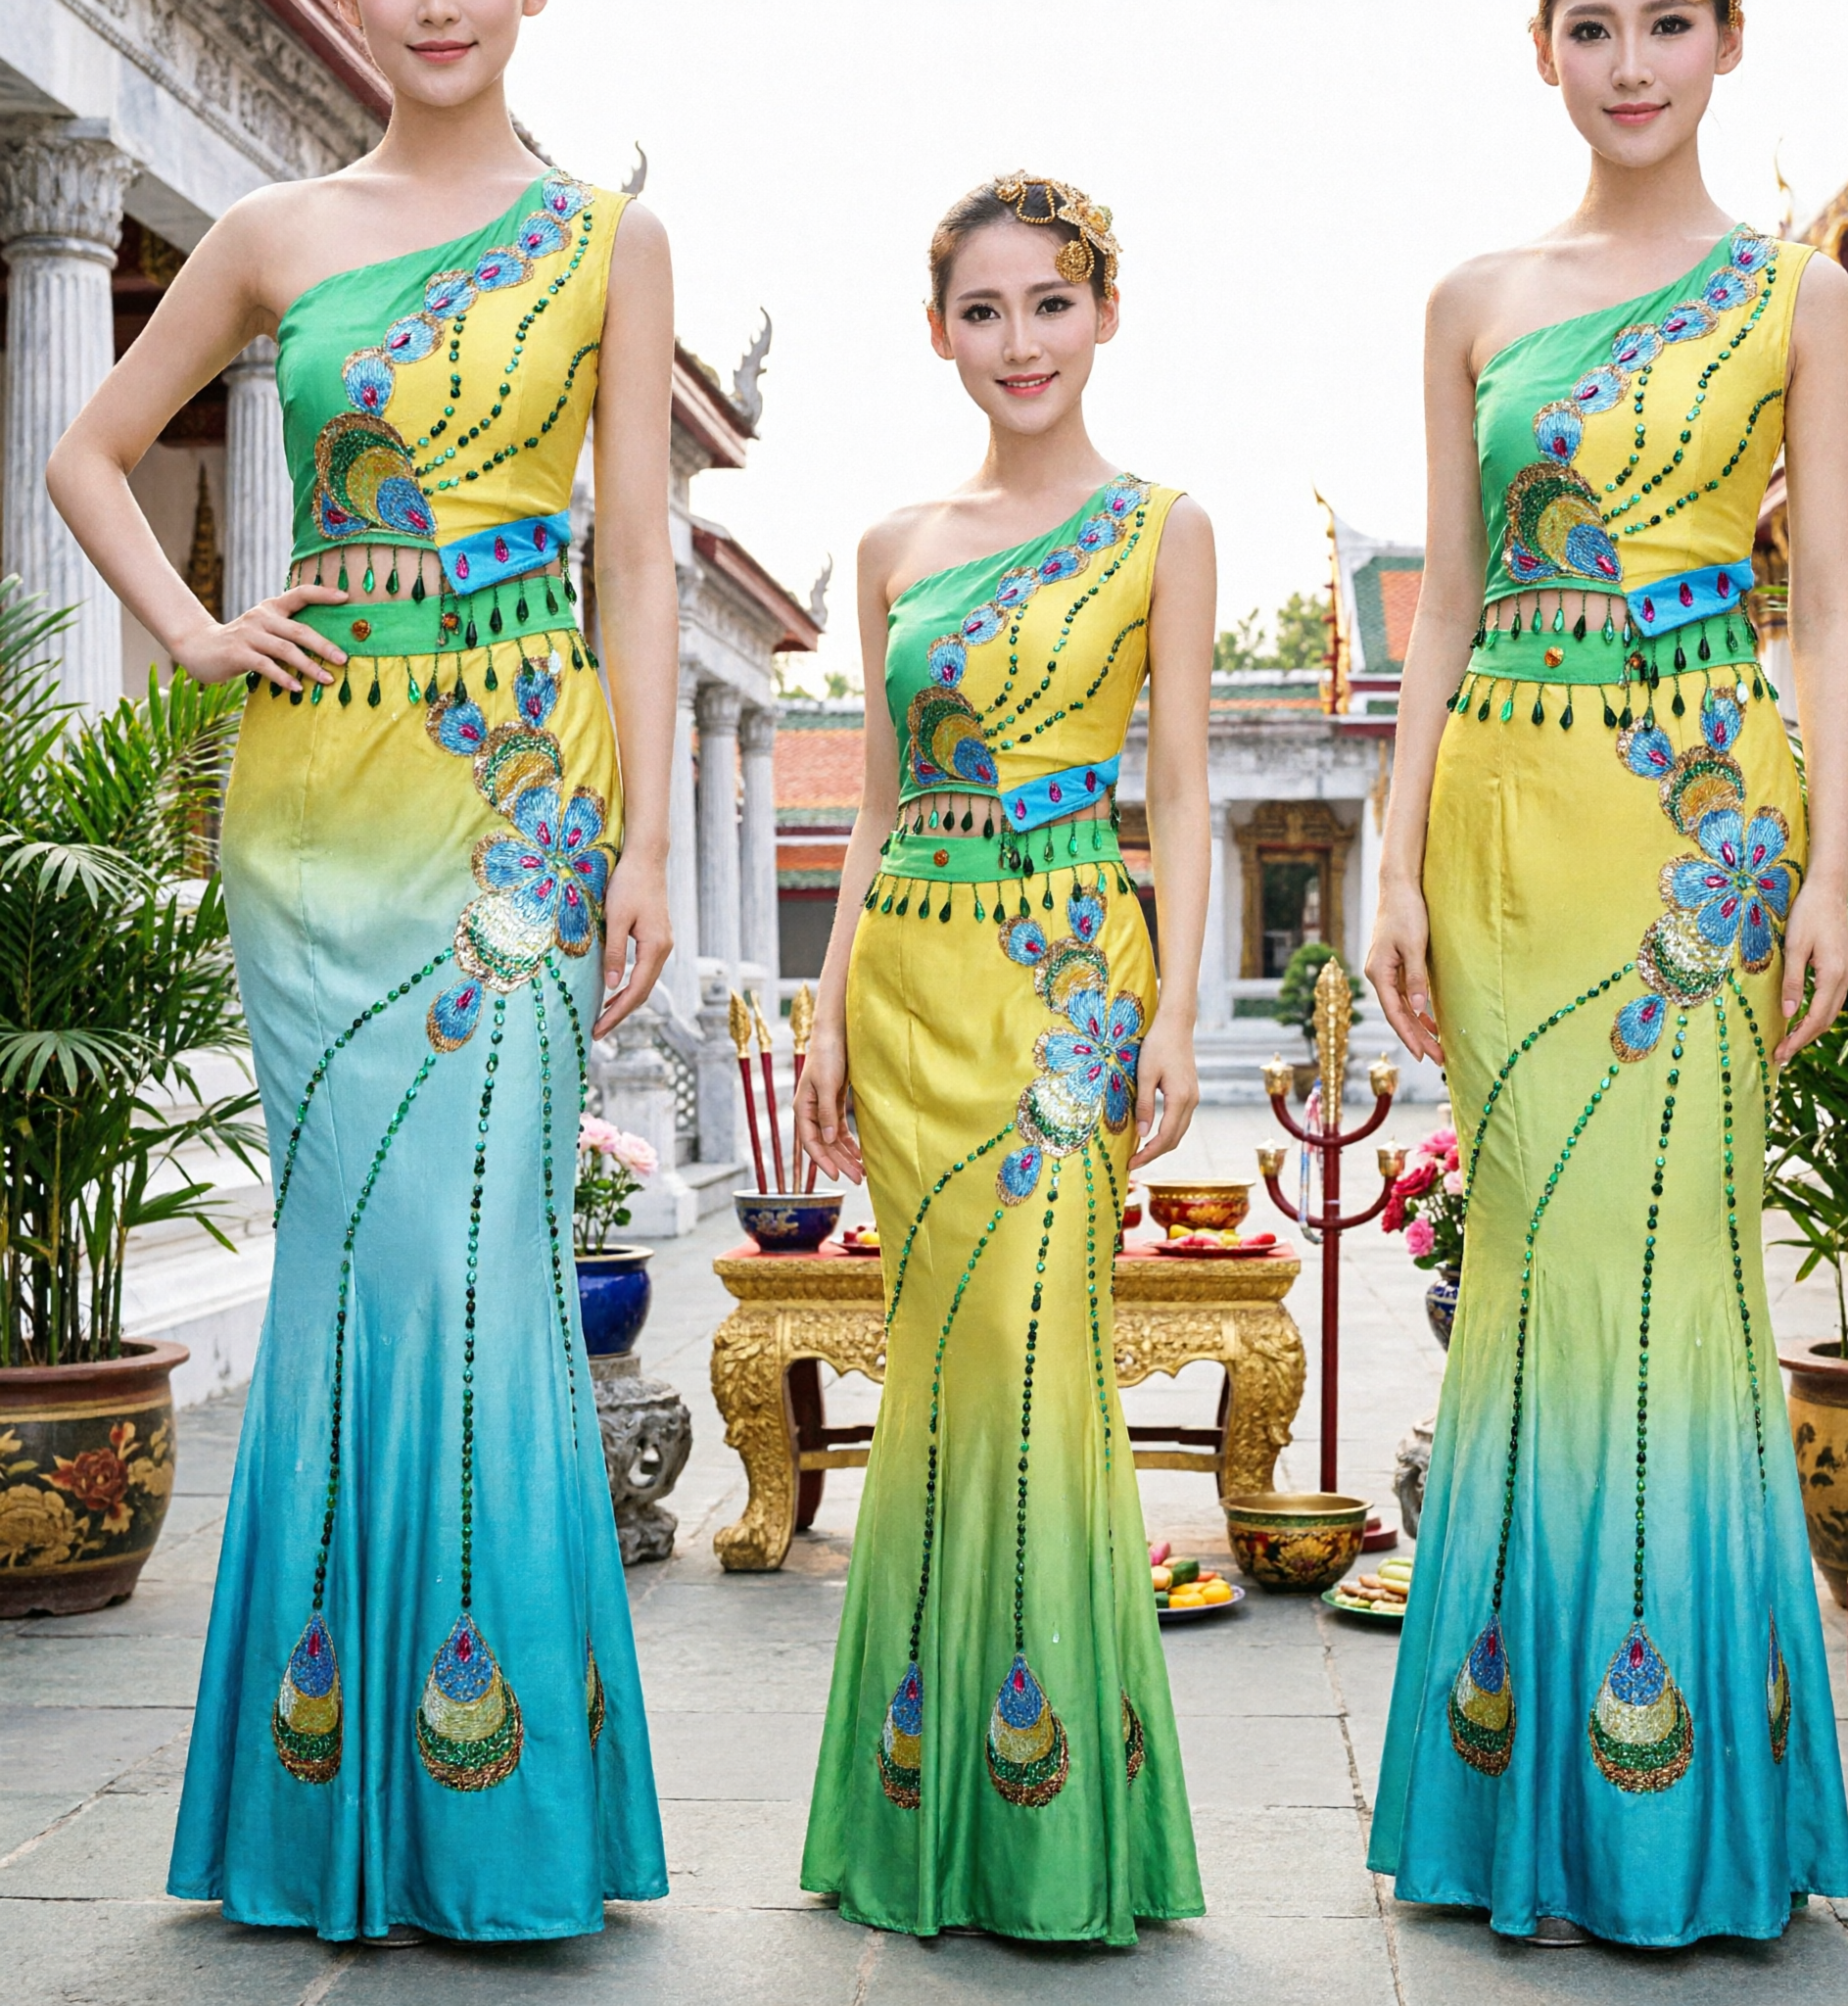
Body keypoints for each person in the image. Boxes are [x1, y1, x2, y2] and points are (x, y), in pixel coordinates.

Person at [47, 0, 674, 1943]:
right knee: (346, 1268)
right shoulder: (269, 231)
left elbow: (637, 550)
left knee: (480, 1260)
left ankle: (493, 1814)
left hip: (518, 796)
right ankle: (327, 1804)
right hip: (316, 806)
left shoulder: (605, 240)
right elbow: (90, 449)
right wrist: (198, 628)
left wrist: (644, 831)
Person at [1362, 0, 1848, 1947]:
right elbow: (1449, 606)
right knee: (1532, 1278)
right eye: (1592, 23)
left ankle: (1676, 1808)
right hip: (1503, 826)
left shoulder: (1795, 293)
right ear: (1541, 50)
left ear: (1728, 44)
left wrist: (1823, 859)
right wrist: (1394, 865)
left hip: (1698, 825)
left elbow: (1818, 605)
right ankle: (1510, 1807)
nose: (1628, 59)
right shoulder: (1473, 296)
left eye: (1670, 21)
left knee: (1672, 1277)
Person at [793, 174, 1213, 1943]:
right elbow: (880, 807)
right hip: (908, 984)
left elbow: (1181, 783)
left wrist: (1178, 1005)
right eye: (983, 310)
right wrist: (827, 999)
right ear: (940, 331)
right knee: (943, 1381)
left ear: (1106, 312)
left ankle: (1052, 1833)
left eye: (1051, 303)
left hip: (1066, 984)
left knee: (1042, 1373)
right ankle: (921, 1822)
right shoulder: (894, 544)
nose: (1018, 341)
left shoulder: (1164, 527)